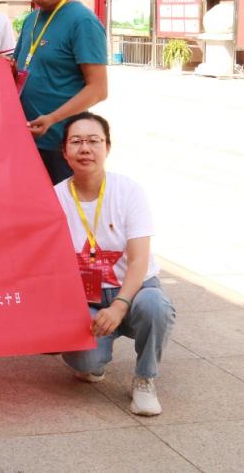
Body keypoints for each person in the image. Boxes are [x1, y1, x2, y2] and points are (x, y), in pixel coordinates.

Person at [55, 112, 175, 417]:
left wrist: (120, 305)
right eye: (76, 142)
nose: (85, 148)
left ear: (107, 147)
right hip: (87, 297)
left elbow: (139, 259)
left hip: (134, 291)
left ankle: (145, 379)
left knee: (155, 305)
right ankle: (96, 359)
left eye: (94, 141)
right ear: (64, 151)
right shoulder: (54, 198)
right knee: (85, 362)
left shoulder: (128, 191)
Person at [13, 0, 107, 184]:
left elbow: (98, 89)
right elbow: (22, 69)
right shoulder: (31, 19)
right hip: (27, 141)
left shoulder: (82, 21)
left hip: (62, 146)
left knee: (64, 205)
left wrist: (53, 118)